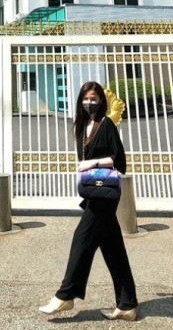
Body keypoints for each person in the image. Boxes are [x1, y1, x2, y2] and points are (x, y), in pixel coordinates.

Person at [38, 81, 138, 321]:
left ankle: (65, 295)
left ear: (101, 100)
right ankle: (127, 305)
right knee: (113, 249)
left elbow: (119, 160)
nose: (89, 103)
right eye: (86, 98)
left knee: (81, 239)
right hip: (94, 193)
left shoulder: (106, 125)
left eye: (94, 99)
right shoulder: (84, 127)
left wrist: (93, 162)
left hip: (105, 195)